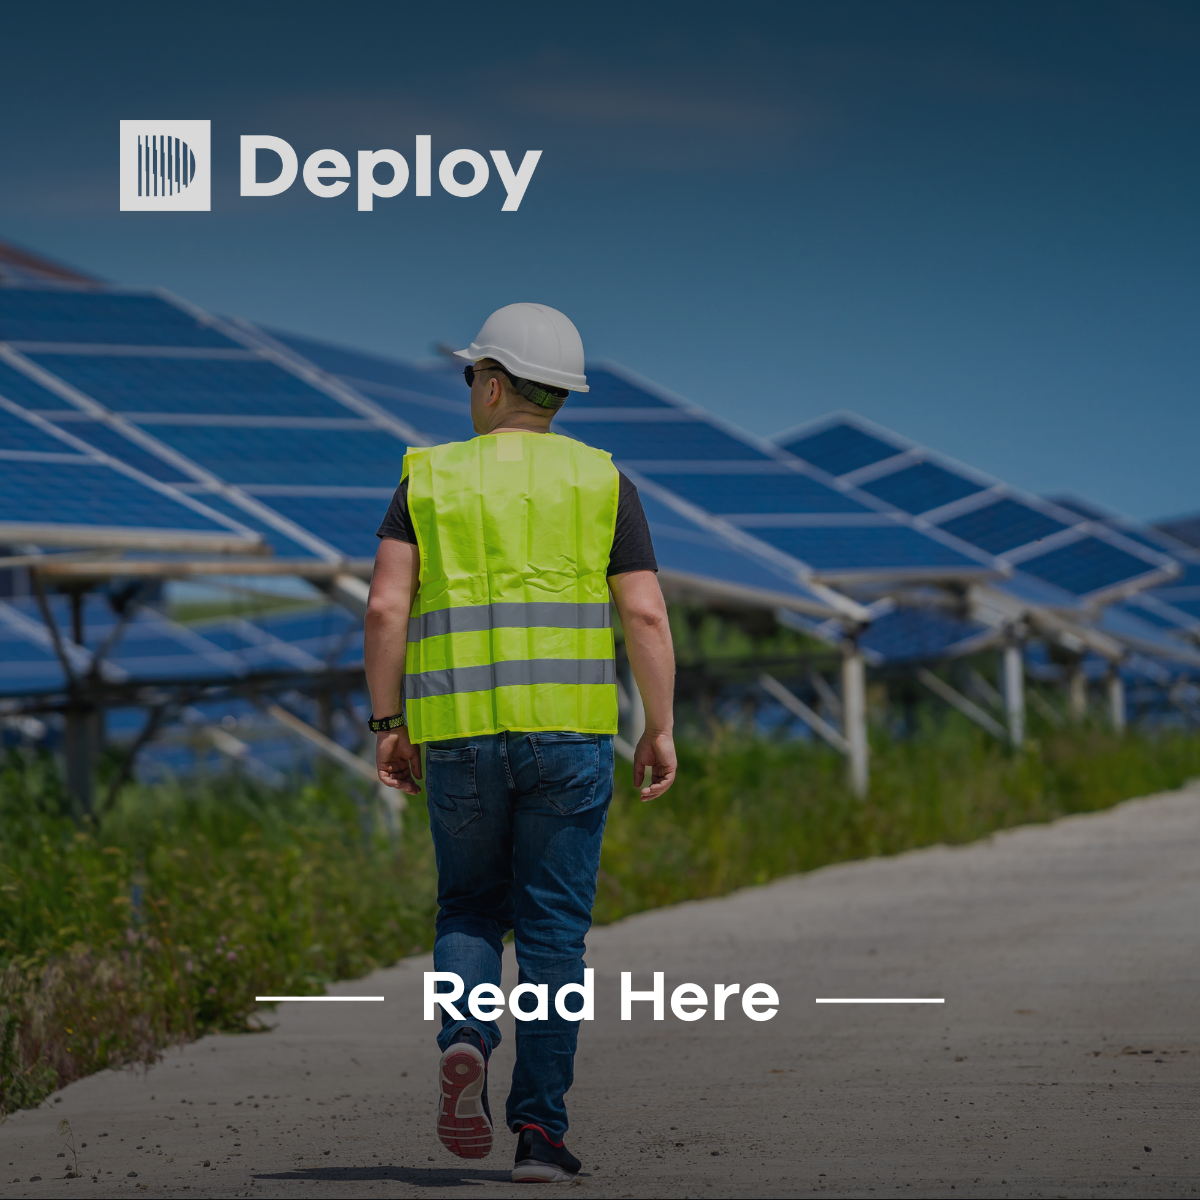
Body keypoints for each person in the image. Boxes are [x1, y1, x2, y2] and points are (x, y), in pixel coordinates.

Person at [363, 303, 677, 1184]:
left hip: (458, 736)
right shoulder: (602, 481)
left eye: (472, 377)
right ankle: (539, 1133)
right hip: (571, 738)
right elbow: (645, 612)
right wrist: (660, 726)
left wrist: (389, 725)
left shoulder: (426, 481)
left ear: (493, 382)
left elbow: (387, 607)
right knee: (552, 937)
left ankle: (464, 1039)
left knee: (468, 907)